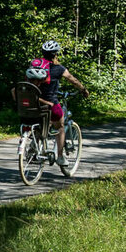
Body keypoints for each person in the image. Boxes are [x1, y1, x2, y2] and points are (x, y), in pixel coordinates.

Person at [36, 39, 89, 173]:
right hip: (50, 102)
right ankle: (60, 157)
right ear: (55, 54)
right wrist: (83, 89)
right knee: (60, 126)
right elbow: (72, 79)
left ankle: (34, 143)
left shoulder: (37, 66)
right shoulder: (59, 68)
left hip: (35, 102)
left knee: (44, 122)